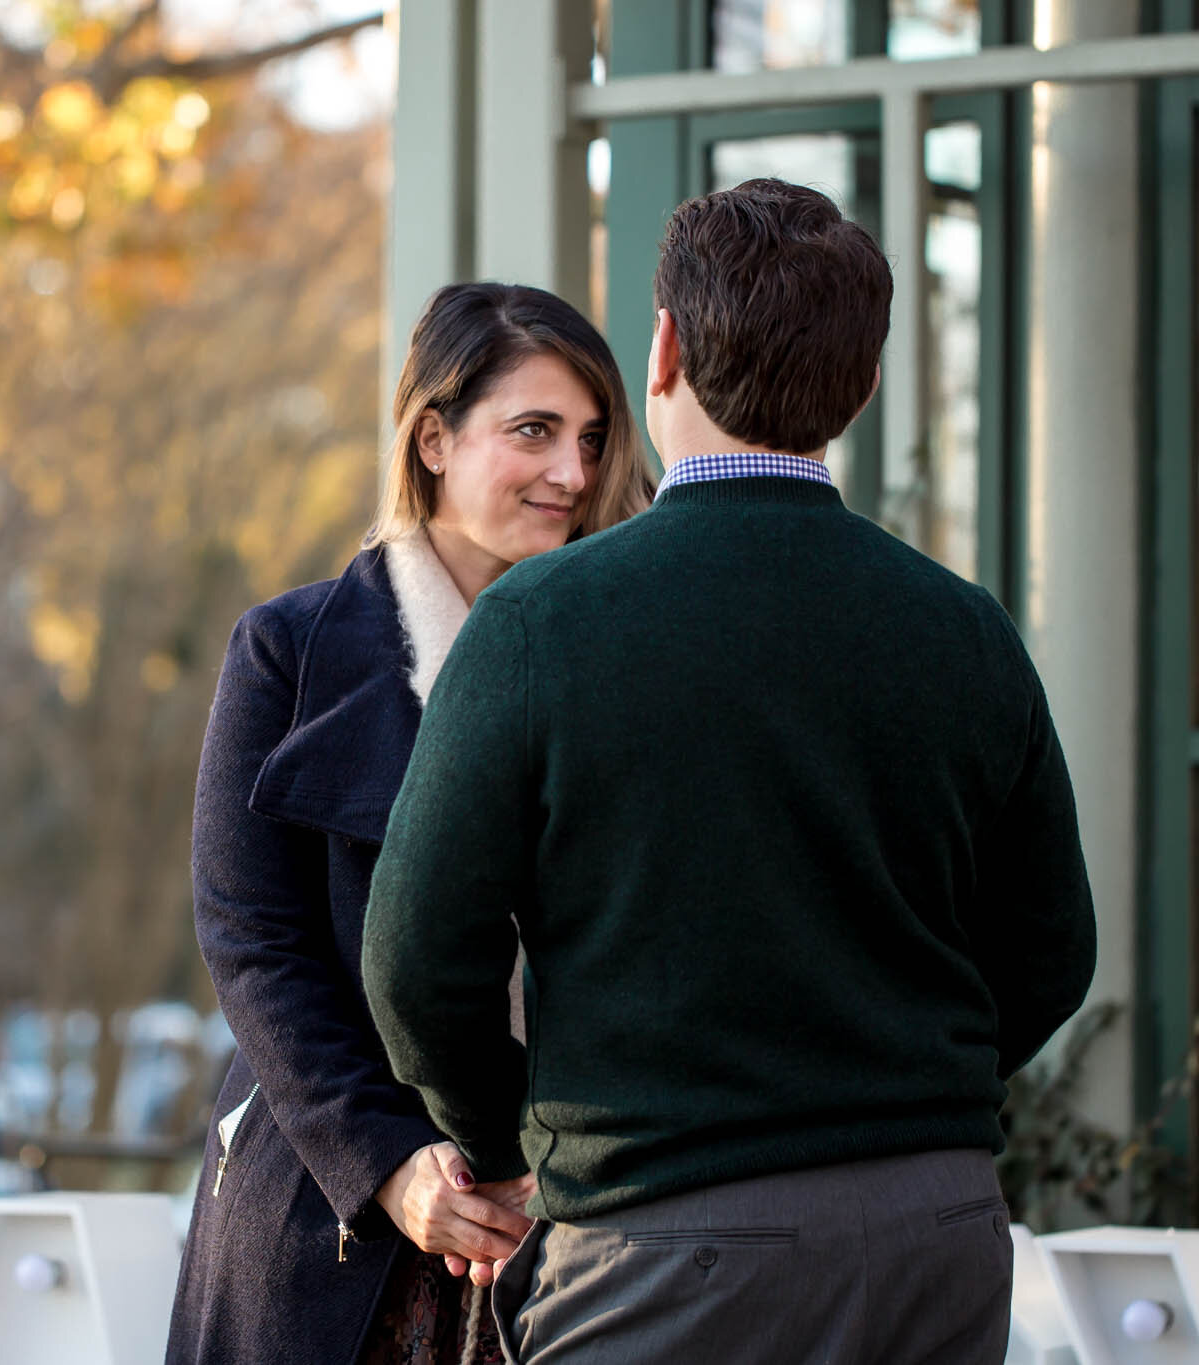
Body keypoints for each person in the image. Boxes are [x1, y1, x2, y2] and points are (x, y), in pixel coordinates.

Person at [361, 179, 1098, 1365]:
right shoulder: (963, 631)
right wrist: (897, 1089)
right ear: (857, 387)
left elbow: (414, 954)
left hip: (666, 1246)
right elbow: (1051, 950)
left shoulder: (544, 624)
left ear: (660, 352)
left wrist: (507, 1145)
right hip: (935, 1232)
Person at [167, 281, 656, 1365]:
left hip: (584, 1232)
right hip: (332, 1219)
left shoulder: (622, 664)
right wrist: (387, 1165)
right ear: (432, 437)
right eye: (532, 431)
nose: (572, 474)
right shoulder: (286, 653)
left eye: (589, 437)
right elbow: (251, 942)